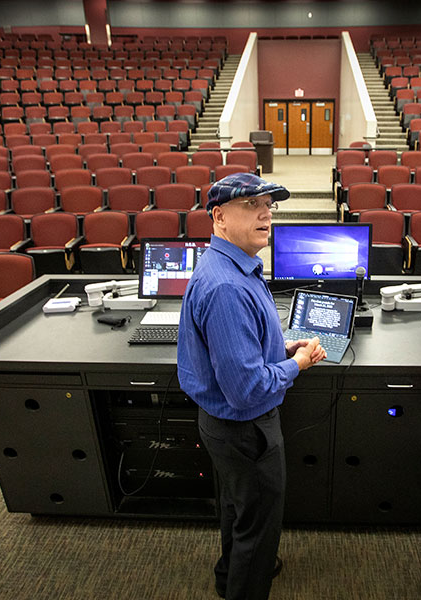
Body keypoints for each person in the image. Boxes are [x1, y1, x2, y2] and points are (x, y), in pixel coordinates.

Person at [177, 172, 326, 600]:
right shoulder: (226, 286)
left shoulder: (232, 263)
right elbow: (247, 389)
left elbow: (244, 348)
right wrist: (296, 364)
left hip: (224, 427)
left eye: (269, 205)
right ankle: (245, 584)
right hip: (246, 429)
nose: (266, 213)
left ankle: (230, 577)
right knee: (258, 527)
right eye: (252, 205)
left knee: (238, 510)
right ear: (219, 216)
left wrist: (281, 346)